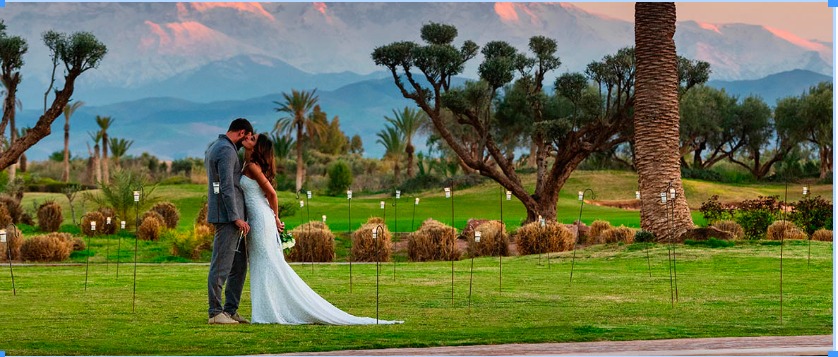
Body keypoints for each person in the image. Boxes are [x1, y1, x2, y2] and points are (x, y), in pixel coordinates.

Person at [241, 133, 403, 325]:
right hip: (258, 217)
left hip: (261, 219)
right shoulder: (248, 164)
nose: (249, 137)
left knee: (268, 262)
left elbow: (272, 194)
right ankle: (266, 309)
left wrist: (276, 218)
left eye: (253, 138)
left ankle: (268, 312)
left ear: (258, 147)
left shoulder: (252, 167)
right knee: (264, 263)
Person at [205, 118, 254, 325]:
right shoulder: (225, 150)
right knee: (221, 265)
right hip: (227, 218)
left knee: (239, 266)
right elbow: (226, 186)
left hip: (231, 217)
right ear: (242, 132)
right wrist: (236, 217)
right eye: (249, 137)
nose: (249, 140)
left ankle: (230, 310)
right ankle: (215, 313)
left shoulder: (220, 146)